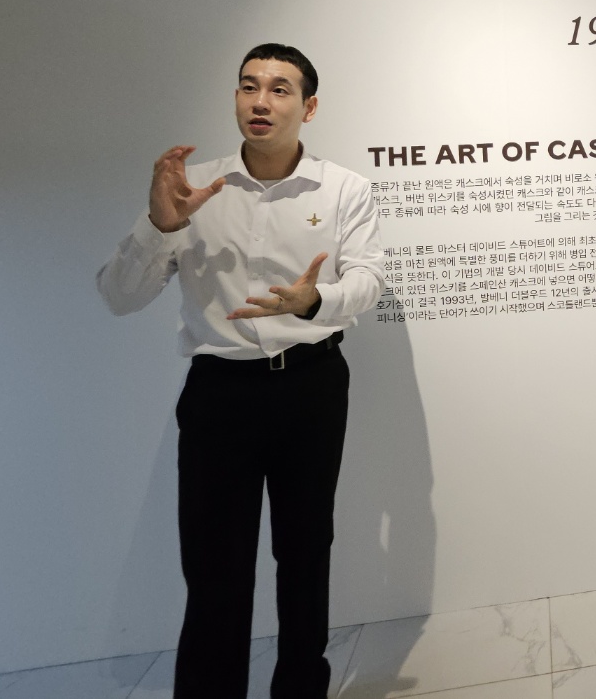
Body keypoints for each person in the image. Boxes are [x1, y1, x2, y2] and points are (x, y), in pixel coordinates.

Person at [97, 43, 384, 699]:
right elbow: (118, 296)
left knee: (305, 552)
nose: (261, 101)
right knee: (214, 564)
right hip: (220, 392)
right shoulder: (194, 189)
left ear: (309, 107)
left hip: (311, 385)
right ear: (235, 97)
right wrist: (159, 226)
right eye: (249, 86)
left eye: (280, 89)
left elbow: (368, 279)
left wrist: (314, 300)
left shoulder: (344, 188)